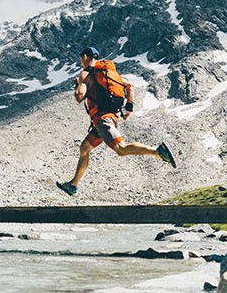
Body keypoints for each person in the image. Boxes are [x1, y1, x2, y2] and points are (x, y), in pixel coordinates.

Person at [56, 46, 176, 196]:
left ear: (86, 57)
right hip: (108, 118)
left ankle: (158, 152)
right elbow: (130, 87)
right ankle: (73, 185)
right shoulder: (109, 74)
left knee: (121, 148)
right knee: (84, 148)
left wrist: (77, 86)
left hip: (103, 120)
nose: (81, 61)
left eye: (81, 58)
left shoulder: (86, 74)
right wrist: (129, 108)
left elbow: (80, 97)